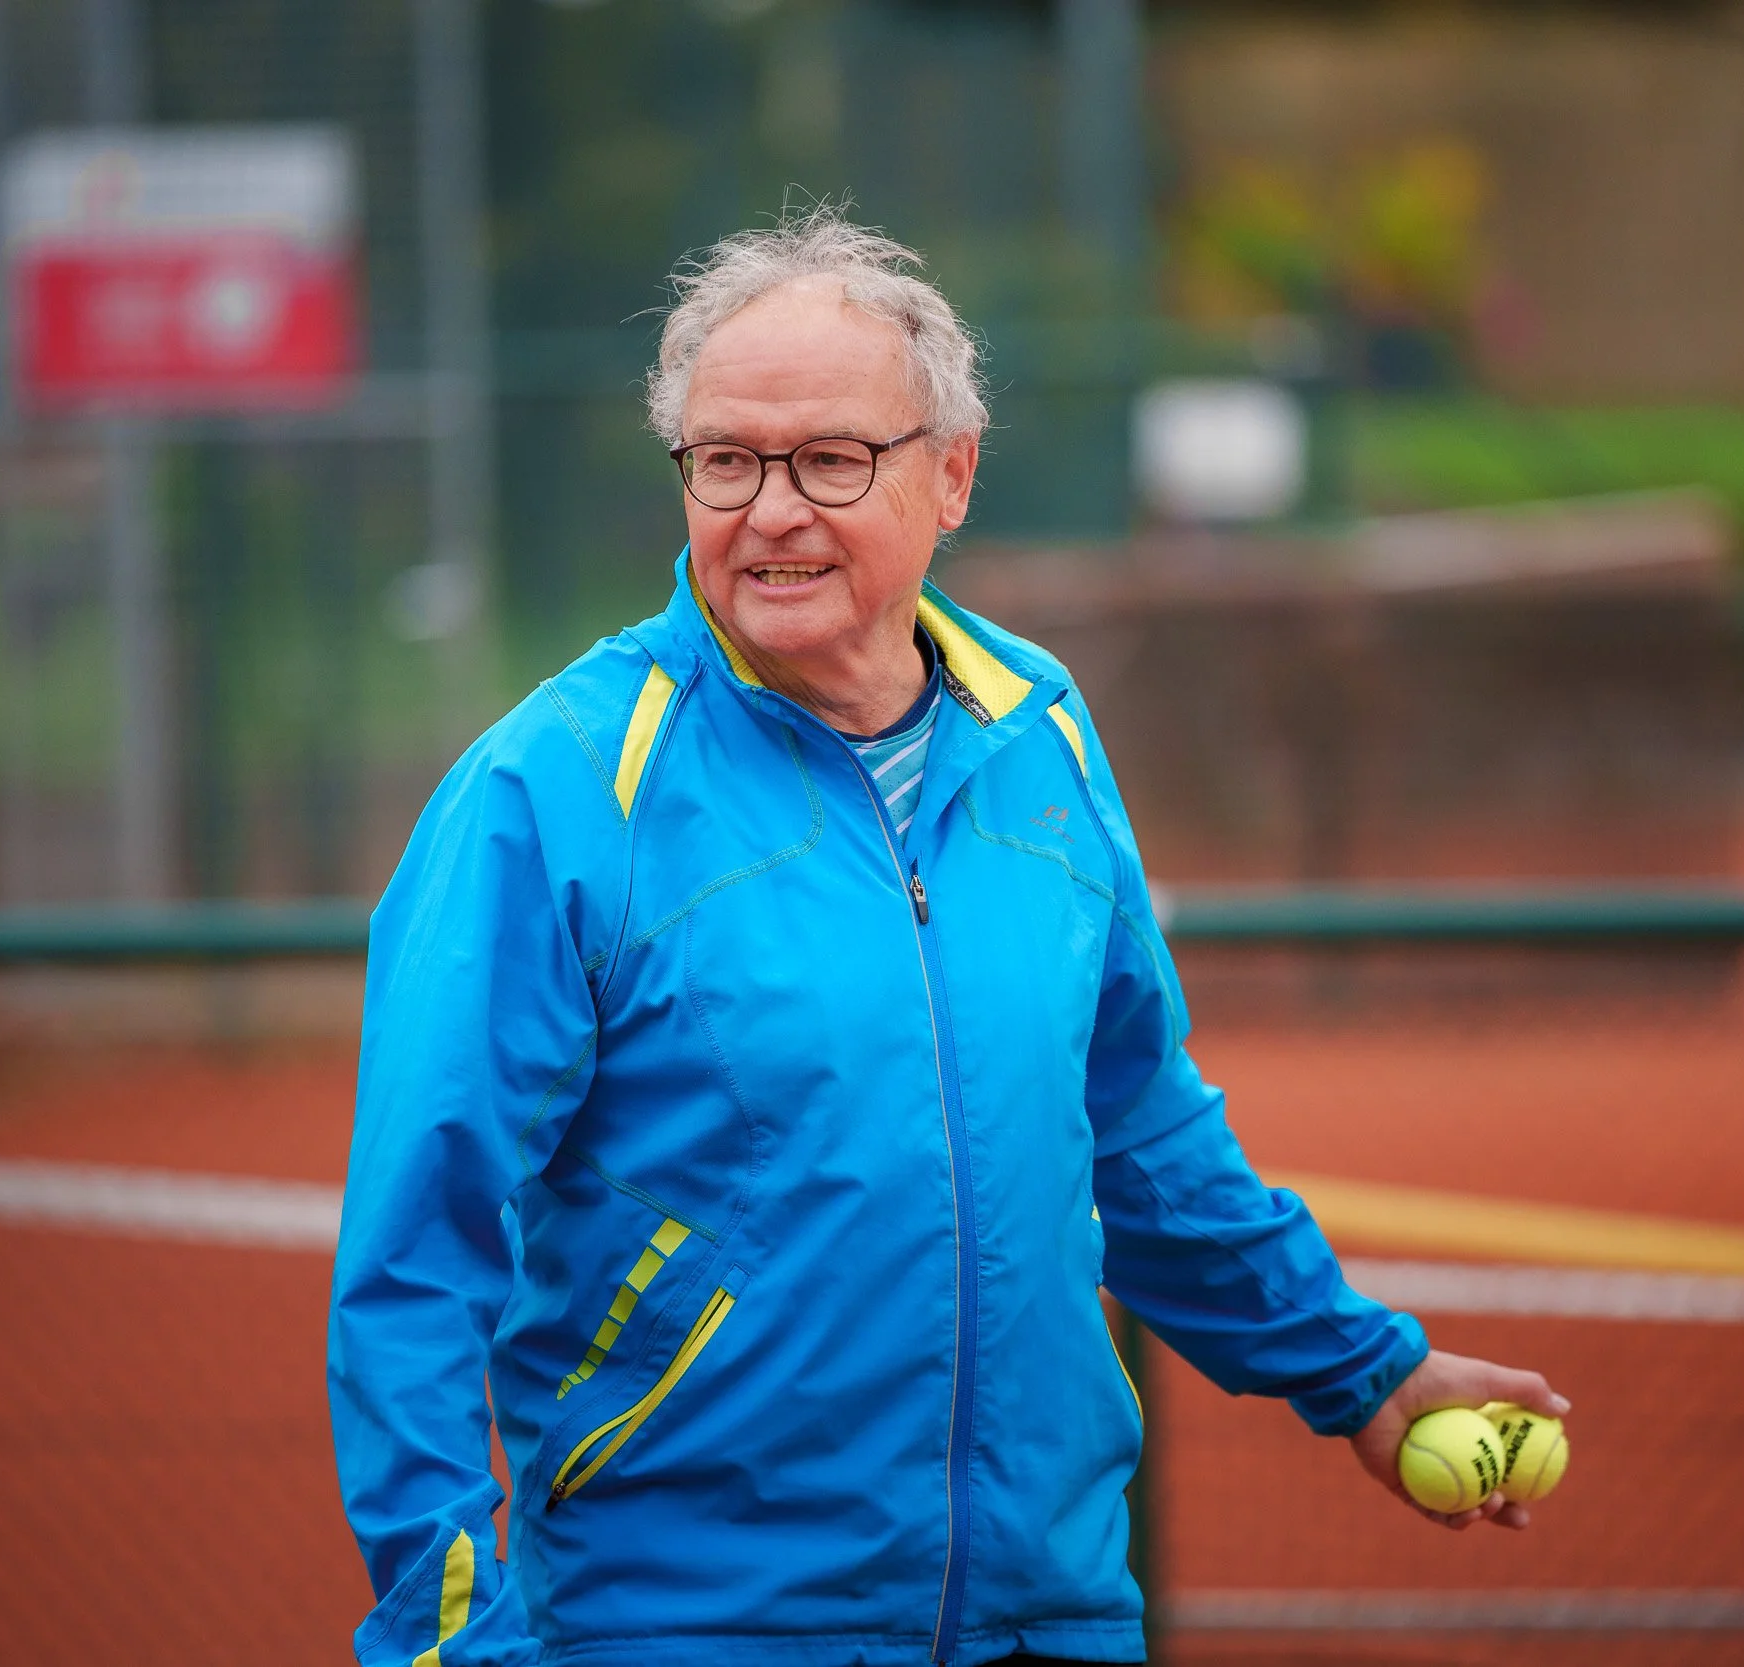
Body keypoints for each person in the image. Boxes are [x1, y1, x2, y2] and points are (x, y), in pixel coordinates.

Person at [327, 204, 1566, 1667]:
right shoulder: (548, 793)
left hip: (1050, 1609)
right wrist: (449, 1642)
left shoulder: (1034, 726)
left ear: (953, 474)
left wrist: (1365, 1373)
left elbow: (1138, 1129)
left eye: (832, 459)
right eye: (726, 459)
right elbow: (414, 1257)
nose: (771, 508)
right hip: (693, 1625)